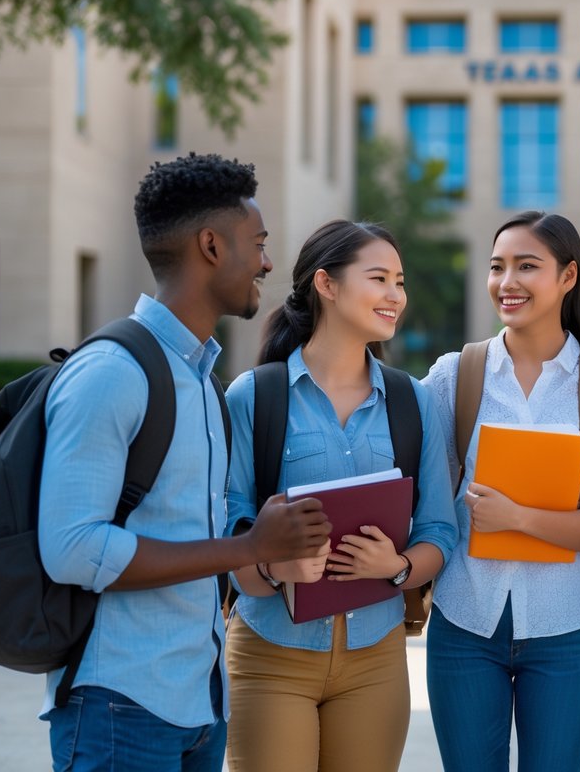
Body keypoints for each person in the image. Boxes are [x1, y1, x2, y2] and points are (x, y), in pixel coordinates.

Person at [38, 153, 333, 771]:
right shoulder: (112, 373)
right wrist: (249, 548)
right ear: (210, 246)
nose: (268, 263)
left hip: (199, 707)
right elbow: (72, 548)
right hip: (118, 705)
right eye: (257, 243)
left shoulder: (200, 381)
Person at [221, 219, 458, 772]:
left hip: (375, 658)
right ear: (326, 284)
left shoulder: (412, 401)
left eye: (400, 281)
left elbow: (441, 532)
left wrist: (397, 565)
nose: (395, 295)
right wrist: (278, 567)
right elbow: (229, 532)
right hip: (270, 653)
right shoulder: (256, 396)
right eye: (379, 278)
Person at [422, 210, 580, 772]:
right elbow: (421, 494)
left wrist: (518, 517)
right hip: (464, 619)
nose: (507, 282)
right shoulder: (455, 375)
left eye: (527, 266)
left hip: (564, 625)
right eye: (497, 267)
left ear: (568, 277)